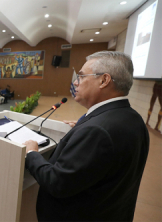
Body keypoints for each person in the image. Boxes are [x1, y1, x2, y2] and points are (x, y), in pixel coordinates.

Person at [24, 51, 149, 221]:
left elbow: (57, 183)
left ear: (104, 80)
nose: (75, 82)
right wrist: (83, 127)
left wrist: (32, 154)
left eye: (81, 77)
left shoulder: (97, 131)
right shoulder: (132, 118)